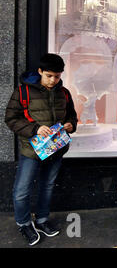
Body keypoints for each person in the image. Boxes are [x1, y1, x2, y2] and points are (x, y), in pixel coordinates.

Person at [4, 53, 78, 246]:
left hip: (55, 149)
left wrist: (71, 124)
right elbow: (11, 119)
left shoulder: (65, 93)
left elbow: (72, 116)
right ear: (40, 72)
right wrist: (35, 129)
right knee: (22, 190)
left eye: (57, 76)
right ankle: (24, 224)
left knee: (47, 186)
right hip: (31, 150)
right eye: (49, 76)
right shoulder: (23, 92)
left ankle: (42, 220)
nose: (53, 80)